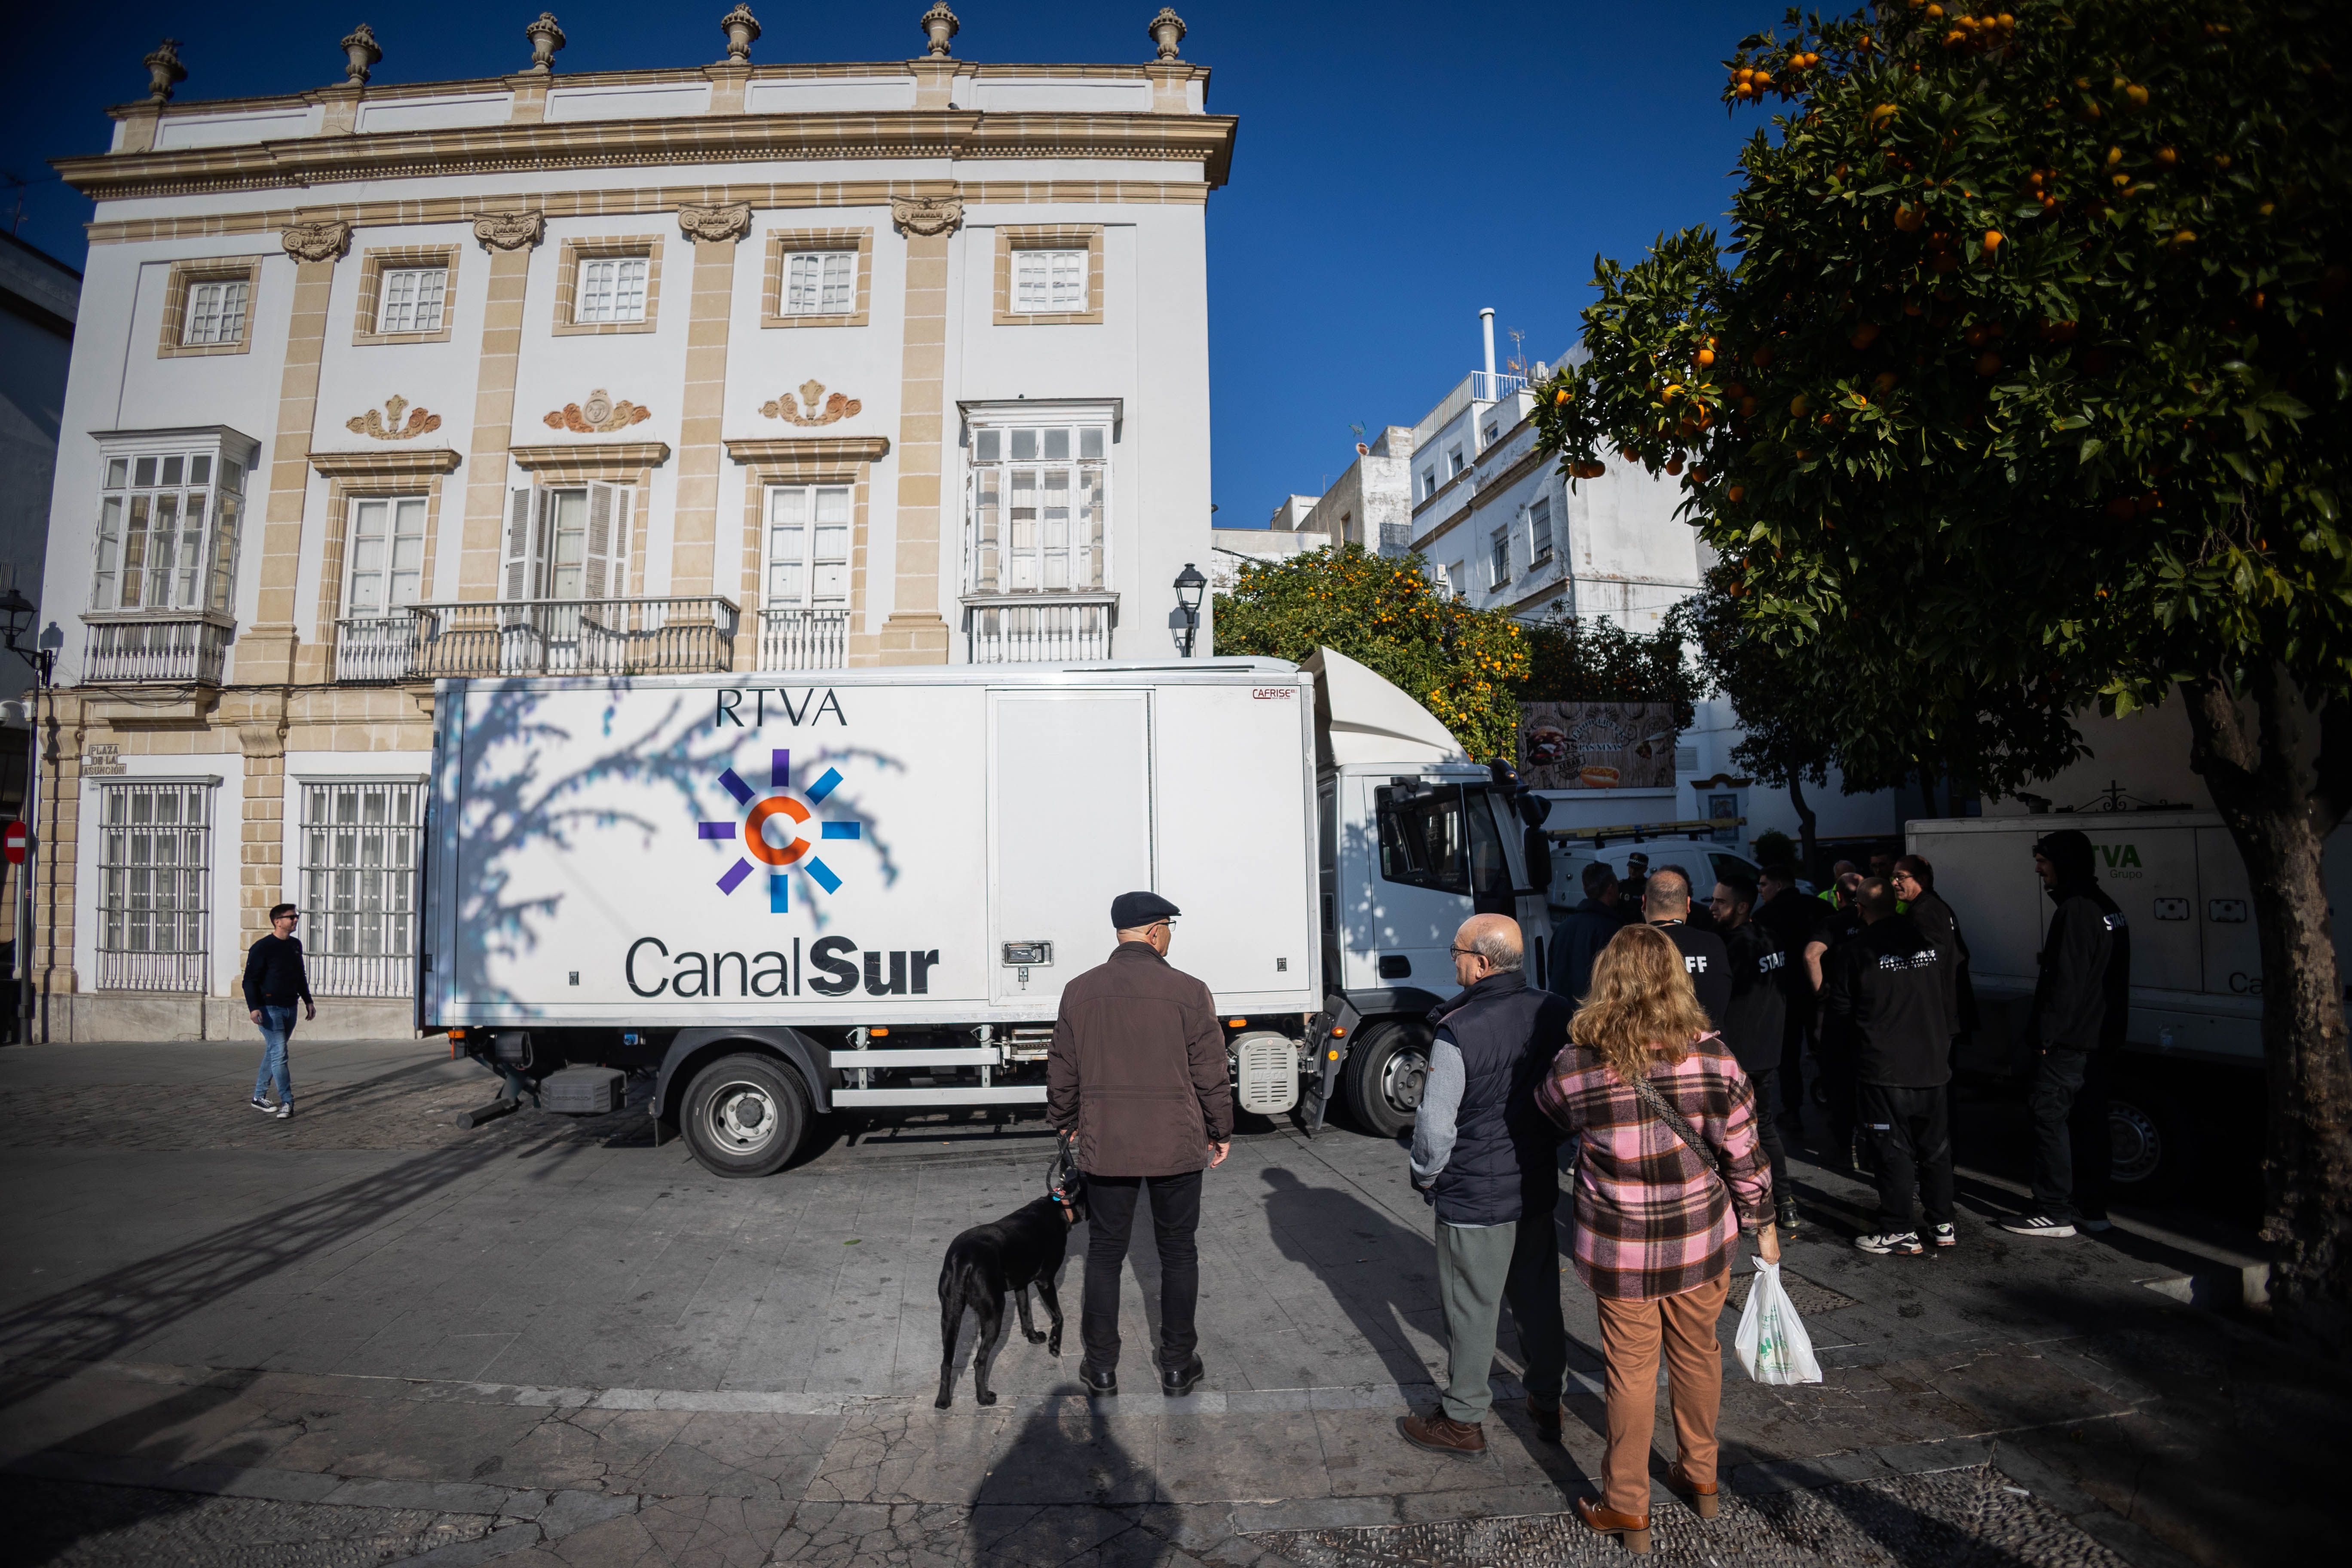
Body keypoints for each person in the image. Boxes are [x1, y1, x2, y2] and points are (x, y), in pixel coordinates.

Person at [1537, 925, 1775, 1550]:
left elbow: (1547, 1116)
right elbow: (1746, 1153)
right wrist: (1763, 1223)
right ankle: (1702, 1478)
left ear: (1606, 980)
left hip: (1621, 1249)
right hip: (1701, 1239)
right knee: (1698, 1355)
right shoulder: (1716, 1057)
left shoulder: (1576, 1064)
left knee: (1631, 1373)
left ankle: (1627, 1505)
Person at [1397, 914, 1573, 1461]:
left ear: (1481, 962)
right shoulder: (1557, 1011)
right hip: (1536, 1185)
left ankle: (1463, 1419)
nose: (1452, 959)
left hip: (1474, 1193)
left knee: (1472, 1308)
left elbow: (1434, 1124)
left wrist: (1425, 1173)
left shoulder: (1459, 1028)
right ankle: (1547, 1401)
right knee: (1539, 1298)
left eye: (1456, 951)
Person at [1047, 891, 1233, 1396]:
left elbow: (1063, 1068)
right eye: (1170, 926)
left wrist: (1065, 1123)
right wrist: (1220, 1130)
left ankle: (1101, 1368)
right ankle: (1177, 1365)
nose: (1170, 934)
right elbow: (1210, 1072)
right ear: (1155, 932)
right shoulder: (1190, 991)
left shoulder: (1079, 991)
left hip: (1107, 1144)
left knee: (1105, 1253)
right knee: (1178, 1253)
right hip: (1176, 1142)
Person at [2002, 830, 2130, 1239]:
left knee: (2050, 1117)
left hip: (2071, 1042)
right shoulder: (2107, 907)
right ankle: (2092, 1209)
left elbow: (2066, 983)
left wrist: (2044, 1035)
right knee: (2089, 1122)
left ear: (2064, 862)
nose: (2038, 869)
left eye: (2043, 860)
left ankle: (2053, 1210)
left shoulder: (2077, 910)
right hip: (2098, 1040)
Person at [1822, 877, 1957, 1255]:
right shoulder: (1925, 943)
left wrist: (1833, 1061)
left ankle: (1899, 1228)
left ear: (1860, 910)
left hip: (1885, 1069)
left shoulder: (1855, 951)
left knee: (1892, 1148)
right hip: (1932, 1064)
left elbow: (1841, 1015)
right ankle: (1942, 1221)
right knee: (1936, 1148)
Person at [1708, 875, 1798, 1234]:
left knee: (1727, 1136)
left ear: (1743, 907)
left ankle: (1740, 1208)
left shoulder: (1730, 947)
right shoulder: (1771, 937)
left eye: (1720, 902)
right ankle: (1786, 1201)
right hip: (1767, 1052)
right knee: (1765, 1127)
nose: (1712, 908)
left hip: (1738, 1059)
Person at [1804, 870, 1868, 1170]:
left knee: (1838, 1083)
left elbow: (1811, 955)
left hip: (1837, 1012)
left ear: (1838, 896)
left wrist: (1820, 992)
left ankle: (1843, 1148)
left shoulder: (1833, 923)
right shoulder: (1873, 920)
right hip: (1868, 1011)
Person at [1892, 855, 1976, 1073]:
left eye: (1901, 877)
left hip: (1937, 1015)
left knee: (1935, 1080)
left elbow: (1927, 963)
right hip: (1944, 1012)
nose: (1894, 883)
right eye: (1894, 878)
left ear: (1923, 880)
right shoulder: (1933, 906)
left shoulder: (1926, 911)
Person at [1752, 864, 1819, 1135]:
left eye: (1764, 884)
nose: (1761, 890)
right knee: (1824, 1049)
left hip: (1784, 995)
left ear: (1779, 885)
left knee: (1789, 1055)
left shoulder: (1765, 917)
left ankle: (1793, 1110)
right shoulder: (1816, 908)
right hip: (1817, 992)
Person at [244, 902, 315, 1119]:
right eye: (291, 917)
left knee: (275, 1052)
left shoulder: (295, 945)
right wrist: (254, 1008)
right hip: (269, 1008)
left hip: (290, 1007)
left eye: (297, 917)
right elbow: (250, 981)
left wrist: (308, 1001)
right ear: (278, 921)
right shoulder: (262, 947)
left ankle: (259, 1097)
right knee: (280, 1054)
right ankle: (288, 1102)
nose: (295, 920)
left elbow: (299, 975)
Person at [1645, 867, 1731, 1029]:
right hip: (1710, 1049)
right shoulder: (1714, 944)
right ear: (1688, 904)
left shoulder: (1631, 949)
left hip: (1655, 1050)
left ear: (1644, 902)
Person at [1552, 862, 1631, 1001]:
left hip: (1562, 1015)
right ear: (1611, 888)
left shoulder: (1564, 928)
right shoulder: (1612, 930)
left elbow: (1552, 972)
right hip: (1595, 1016)